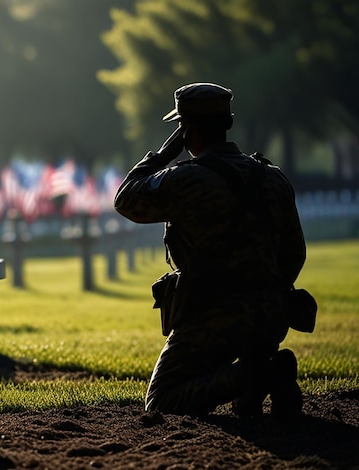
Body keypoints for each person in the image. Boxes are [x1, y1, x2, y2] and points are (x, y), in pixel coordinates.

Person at [114, 82, 313, 418]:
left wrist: (162, 156)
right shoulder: (273, 177)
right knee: (242, 400)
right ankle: (265, 368)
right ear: (228, 123)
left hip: (211, 317)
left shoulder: (187, 179)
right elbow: (295, 254)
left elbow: (126, 200)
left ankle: (257, 374)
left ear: (186, 130)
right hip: (270, 315)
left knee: (163, 401)